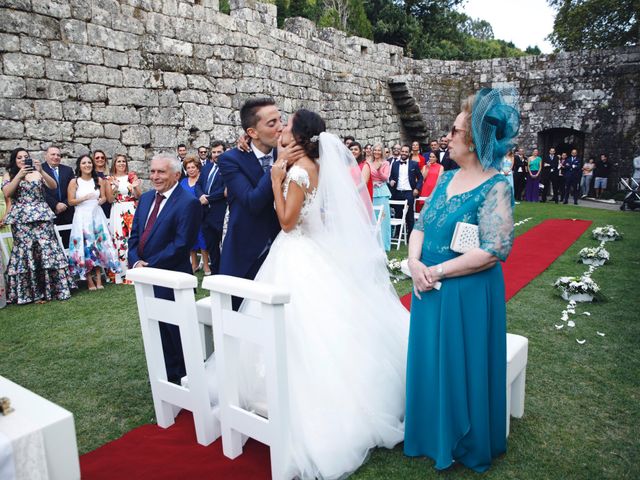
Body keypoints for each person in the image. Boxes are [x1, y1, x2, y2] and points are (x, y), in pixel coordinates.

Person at [220, 110, 409, 480]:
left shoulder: (299, 169)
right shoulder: (312, 164)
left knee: (298, 330)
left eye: (288, 125)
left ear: (302, 134)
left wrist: (276, 179)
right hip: (310, 250)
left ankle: (294, 404)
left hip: (295, 251)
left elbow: (288, 223)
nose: (282, 128)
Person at [405, 88, 518, 472]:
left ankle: (465, 439)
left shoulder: (497, 185)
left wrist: (436, 272)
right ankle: (429, 433)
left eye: (454, 131)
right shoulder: (444, 178)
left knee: (461, 363)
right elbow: (420, 224)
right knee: (430, 360)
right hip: (428, 287)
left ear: (472, 141)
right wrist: (413, 261)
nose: (447, 137)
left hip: (466, 290)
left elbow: (493, 250)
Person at [217, 97, 303, 310]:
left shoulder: (294, 154)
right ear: (252, 132)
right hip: (243, 255)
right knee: (236, 319)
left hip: (283, 254)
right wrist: (279, 162)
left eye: (280, 120)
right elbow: (252, 202)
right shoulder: (231, 160)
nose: (280, 128)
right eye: (271, 123)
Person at [128, 154, 202, 383]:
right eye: (152, 171)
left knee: (177, 334)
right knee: (156, 331)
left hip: (172, 279)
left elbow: (181, 245)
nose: (155, 176)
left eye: (161, 172)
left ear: (176, 175)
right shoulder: (147, 198)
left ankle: (187, 382)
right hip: (146, 278)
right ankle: (164, 378)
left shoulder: (187, 202)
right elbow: (135, 236)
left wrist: (149, 266)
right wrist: (135, 261)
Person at [2, 148, 74, 304]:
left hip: (41, 215)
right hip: (21, 218)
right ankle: (31, 293)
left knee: (47, 249)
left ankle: (55, 289)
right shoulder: (9, 175)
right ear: (14, 160)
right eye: (19, 157)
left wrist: (41, 170)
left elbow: (53, 186)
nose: (23, 159)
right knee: (26, 252)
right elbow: (7, 193)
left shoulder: (37, 172)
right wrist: (19, 176)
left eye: (25, 157)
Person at [67, 155, 120, 290]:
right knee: (86, 246)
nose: (87, 165)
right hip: (82, 216)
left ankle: (99, 279)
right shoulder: (75, 182)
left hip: (96, 215)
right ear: (79, 166)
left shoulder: (99, 180)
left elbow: (103, 197)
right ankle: (89, 280)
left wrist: (100, 201)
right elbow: (70, 201)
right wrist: (84, 198)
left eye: (89, 162)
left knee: (98, 245)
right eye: (84, 163)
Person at [108, 153, 141, 283]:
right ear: (114, 164)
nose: (121, 163)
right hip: (117, 209)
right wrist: (115, 187)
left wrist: (134, 188)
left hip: (131, 208)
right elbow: (110, 199)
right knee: (120, 239)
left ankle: (136, 270)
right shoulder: (109, 179)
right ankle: (122, 274)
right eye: (118, 161)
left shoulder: (131, 176)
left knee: (133, 237)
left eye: (123, 161)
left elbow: (139, 195)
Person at [196, 142, 227, 276]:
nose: (216, 155)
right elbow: (198, 185)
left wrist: (208, 198)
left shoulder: (228, 168)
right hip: (205, 215)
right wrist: (201, 195)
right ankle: (215, 274)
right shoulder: (207, 168)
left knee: (224, 247)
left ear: (225, 152)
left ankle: (225, 274)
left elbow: (225, 190)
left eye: (219, 152)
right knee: (211, 246)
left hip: (220, 214)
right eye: (214, 152)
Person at [179, 156, 211, 275]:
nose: (191, 170)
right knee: (190, 238)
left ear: (198, 168)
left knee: (202, 239)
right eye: (188, 168)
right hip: (186, 215)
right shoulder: (182, 182)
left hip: (201, 214)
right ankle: (194, 264)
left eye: (193, 167)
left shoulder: (203, 180)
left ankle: (206, 265)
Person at [42, 145, 75, 248]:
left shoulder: (68, 170)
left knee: (68, 243)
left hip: (67, 211)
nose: (56, 157)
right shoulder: (40, 170)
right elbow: (40, 190)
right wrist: (55, 204)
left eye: (58, 155)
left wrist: (64, 204)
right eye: (53, 154)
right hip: (49, 211)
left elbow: (73, 188)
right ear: (45, 156)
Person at [389, 145, 423, 235]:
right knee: (398, 214)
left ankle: (410, 235)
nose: (404, 153)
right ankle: (397, 234)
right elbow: (391, 176)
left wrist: (417, 189)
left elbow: (420, 178)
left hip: (409, 192)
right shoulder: (395, 164)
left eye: (406, 152)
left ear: (409, 153)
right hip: (397, 192)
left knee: (409, 215)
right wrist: (391, 180)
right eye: (402, 151)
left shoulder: (414, 164)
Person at [370, 143, 392, 251]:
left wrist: (378, 169)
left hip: (382, 191)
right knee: (372, 217)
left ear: (382, 152)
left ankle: (384, 244)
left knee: (383, 218)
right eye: (375, 150)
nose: (377, 152)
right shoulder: (369, 163)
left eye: (379, 150)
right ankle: (373, 243)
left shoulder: (385, 163)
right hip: (371, 191)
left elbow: (385, 177)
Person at [93, 150, 112, 218]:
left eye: (102, 157)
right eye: (97, 158)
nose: (100, 159)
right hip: (97, 206)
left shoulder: (111, 174)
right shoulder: (91, 175)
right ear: (93, 160)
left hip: (111, 207)